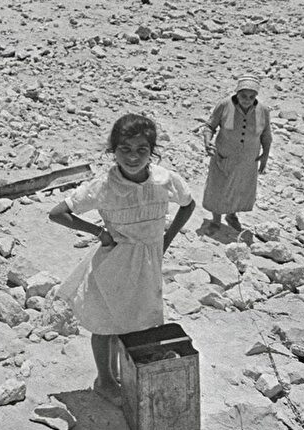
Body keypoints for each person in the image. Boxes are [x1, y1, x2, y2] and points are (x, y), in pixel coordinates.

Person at [49, 114, 195, 406]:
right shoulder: (103, 185)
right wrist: (98, 232)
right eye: (124, 149)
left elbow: (188, 205)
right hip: (113, 265)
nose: (132, 157)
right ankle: (105, 380)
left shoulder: (165, 180)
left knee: (134, 322)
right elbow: (58, 213)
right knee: (106, 324)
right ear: (113, 151)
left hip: (147, 265)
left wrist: (165, 240)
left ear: (152, 152)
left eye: (142, 149)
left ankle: (122, 374)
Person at [201, 79, 271, 238]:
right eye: (243, 95)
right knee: (218, 187)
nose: (247, 99)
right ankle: (216, 221)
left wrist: (265, 155)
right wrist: (207, 142)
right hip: (224, 155)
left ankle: (231, 215)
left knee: (239, 187)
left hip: (248, 159)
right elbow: (209, 126)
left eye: (251, 96)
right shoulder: (225, 105)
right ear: (237, 94)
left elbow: (266, 135)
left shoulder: (263, 110)